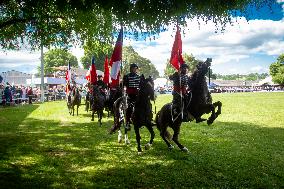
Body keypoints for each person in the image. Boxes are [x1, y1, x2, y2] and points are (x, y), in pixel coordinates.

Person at [123, 63, 141, 129]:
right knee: (129, 108)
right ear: (131, 69)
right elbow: (124, 85)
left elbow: (140, 85)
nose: (135, 69)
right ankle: (127, 122)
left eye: (135, 68)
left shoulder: (138, 76)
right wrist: (123, 81)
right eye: (133, 68)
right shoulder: (127, 76)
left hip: (137, 94)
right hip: (130, 94)